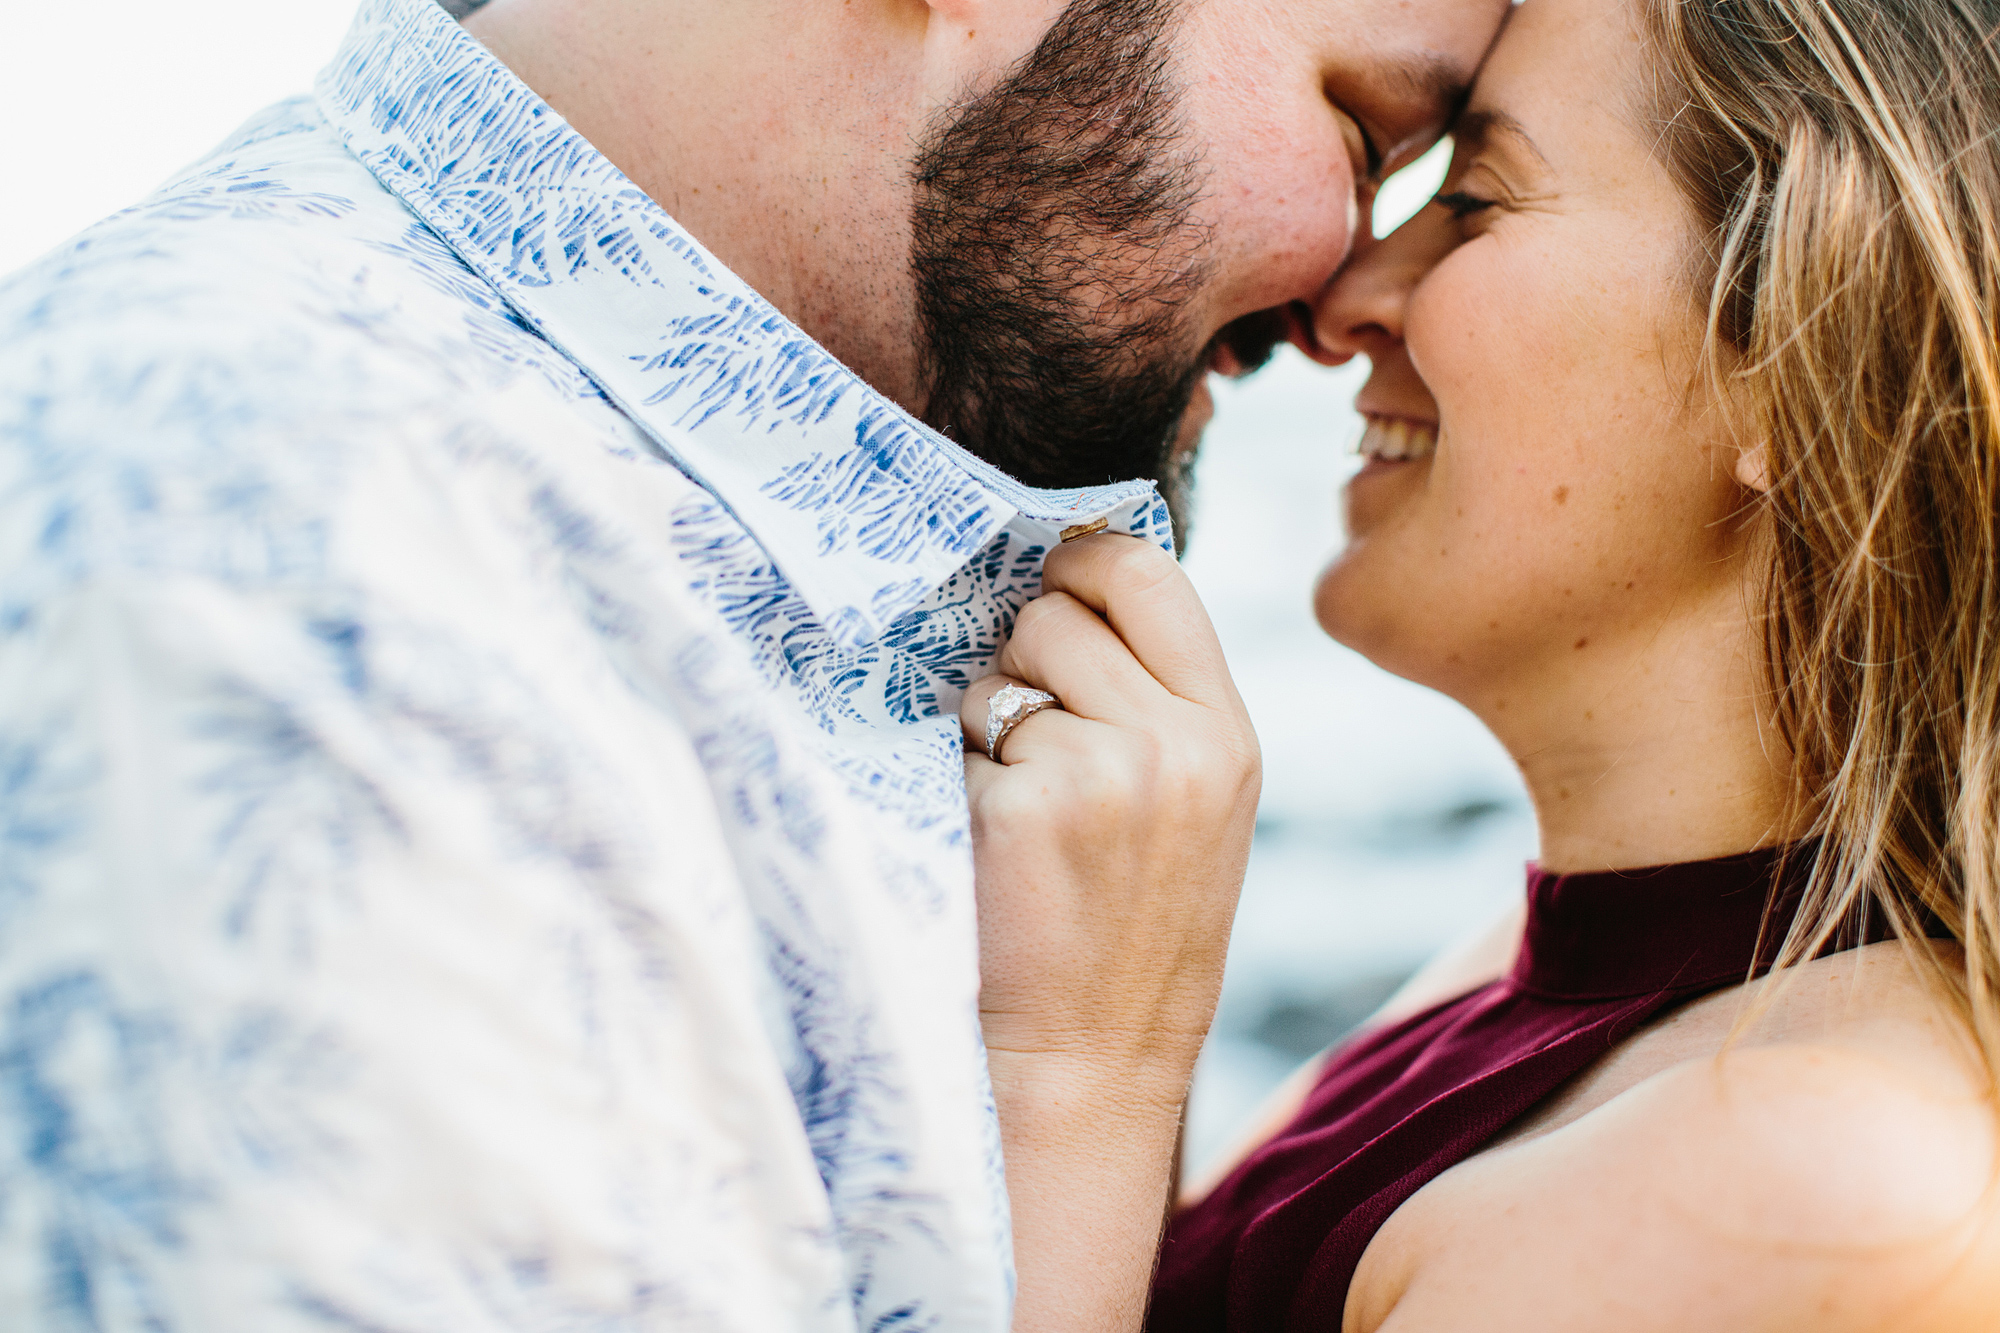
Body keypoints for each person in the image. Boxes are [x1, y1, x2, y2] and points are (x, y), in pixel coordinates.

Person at [0, 0, 1509, 1328]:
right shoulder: (290, 577)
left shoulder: (758, 531)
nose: (1339, 309)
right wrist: (1081, 1111)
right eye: (1368, 137)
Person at [963, 0, 2000, 1326]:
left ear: (1808, 355)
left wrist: (1081, 1075)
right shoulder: (1560, 964)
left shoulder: (1814, 1174)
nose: (1344, 299)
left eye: (1477, 199)